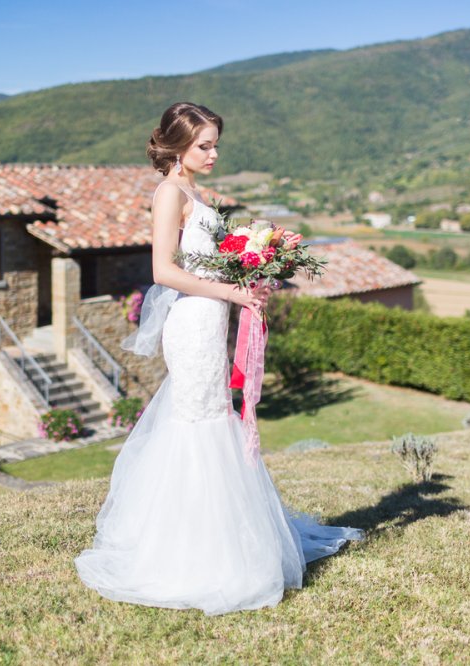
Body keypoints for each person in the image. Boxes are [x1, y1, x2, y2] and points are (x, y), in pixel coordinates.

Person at [74, 102, 363, 616]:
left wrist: (250, 278)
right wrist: (232, 292)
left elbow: (206, 263)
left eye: (215, 145)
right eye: (204, 145)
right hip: (191, 325)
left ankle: (223, 538)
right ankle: (194, 553)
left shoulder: (194, 192)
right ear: (177, 147)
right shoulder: (170, 193)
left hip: (210, 321)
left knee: (212, 418)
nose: (214, 154)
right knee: (199, 421)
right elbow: (163, 271)